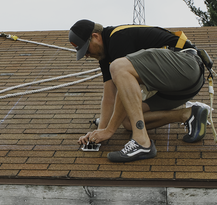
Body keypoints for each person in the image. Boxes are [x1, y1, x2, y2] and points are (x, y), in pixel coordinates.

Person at [69, 19, 209, 162]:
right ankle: (188, 115)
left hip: (186, 65)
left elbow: (121, 89)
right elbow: (109, 97)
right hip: (179, 89)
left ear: (96, 36)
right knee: (128, 120)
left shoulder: (117, 38)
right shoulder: (105, 57)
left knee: (118, 67)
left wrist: (109, 131)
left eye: (86, 49)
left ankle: (142, 142)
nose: (86, 55)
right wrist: (100, 132)